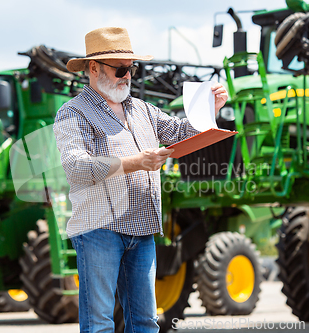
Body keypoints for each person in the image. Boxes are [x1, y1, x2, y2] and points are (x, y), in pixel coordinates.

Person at [53, 27, 228, 333]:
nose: (127, 76)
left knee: (145, 322)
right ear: (93, 68)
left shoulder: (143, 110)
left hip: (142, 228)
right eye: (121, 69)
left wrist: (209, 111)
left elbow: (177, 132)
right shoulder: (72, 113)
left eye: (131, 69)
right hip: (99, 230)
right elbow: (76, 167)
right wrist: (136, 163)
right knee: (99, 324)